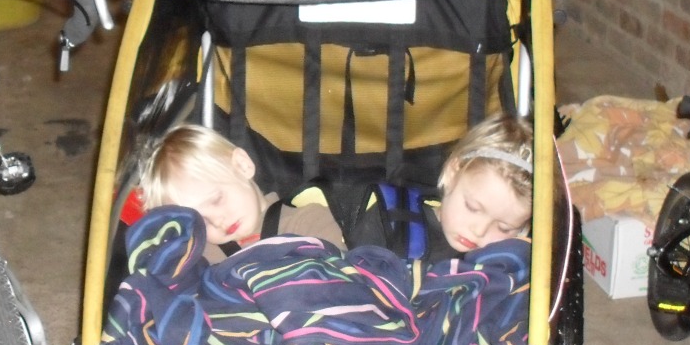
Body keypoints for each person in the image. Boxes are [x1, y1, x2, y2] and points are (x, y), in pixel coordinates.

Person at [137, 124, 344, 263]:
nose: (217, 222)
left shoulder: (307, 221)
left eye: (216, 200)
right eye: (201, 222)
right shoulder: (204, 254)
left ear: (242, 166)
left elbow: (343, 282)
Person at [352, 113, 535, 262]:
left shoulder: (509, 265)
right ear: (452, 173)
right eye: (472, 207)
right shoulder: (393, 221)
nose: (479, 231)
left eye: (504, 228)